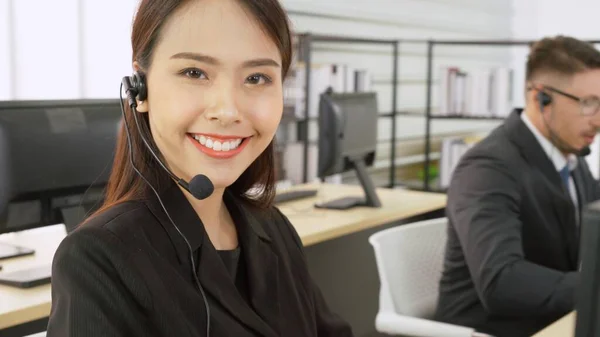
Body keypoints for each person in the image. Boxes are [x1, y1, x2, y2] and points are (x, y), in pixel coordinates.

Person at [46, 0, 354, 336]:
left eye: (256, 77)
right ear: (140, 90)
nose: (227, 110)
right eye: (194, 72)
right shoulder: (98, 258)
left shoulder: (273, 229)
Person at [434, 35, 600, 337]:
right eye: (588, 103)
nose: (598, 119)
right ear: (540, 97)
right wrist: (594, 288)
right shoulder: (488, 168)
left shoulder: (572, 158)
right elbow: (502, 281)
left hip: (551, 322)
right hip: (492, 330)